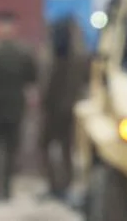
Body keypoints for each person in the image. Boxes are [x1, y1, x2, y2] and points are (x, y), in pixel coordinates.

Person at [0, 9, 37, 202]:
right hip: (6, 107)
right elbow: (32, 81)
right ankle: (1, 190)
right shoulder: (23, 52)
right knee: (1, 151)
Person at [37, 15, 89, 200]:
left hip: (58, 110)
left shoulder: (56, 58)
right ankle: (62, 184)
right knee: (64, 148)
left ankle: (58, 185)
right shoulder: (80, 57)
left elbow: (46, 84)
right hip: (65, 109)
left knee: (53, 146)